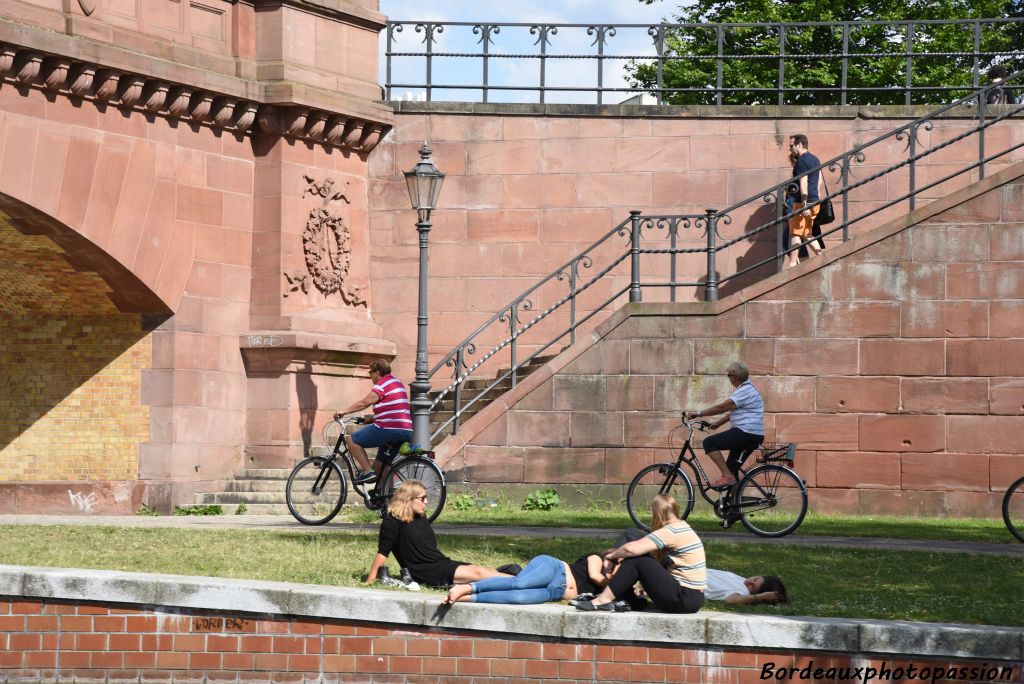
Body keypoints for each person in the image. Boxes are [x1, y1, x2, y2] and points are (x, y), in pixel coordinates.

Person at [575, 494, 705, 614]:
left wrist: (611, 556)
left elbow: (630, 549)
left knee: (636, 560)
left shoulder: (671, 531)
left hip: (682, 598)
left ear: (657, 514)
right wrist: (616, 552)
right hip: (693, 599)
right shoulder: (682, 528)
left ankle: (602, 601)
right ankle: (626, 598)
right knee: (635, 541)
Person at [367, 480, 506, 587]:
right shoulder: (392, 522)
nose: (426, 502)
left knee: (476, 569)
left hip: (440, 562)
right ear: (408, 499)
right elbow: (382, 553)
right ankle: (519, 581)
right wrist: (370, 580)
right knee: (477, 573)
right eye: (422, 498)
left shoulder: (420, 516)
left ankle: (517, 577)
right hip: (425, 571)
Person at [684, 360, 764, 489]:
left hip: (746, 432)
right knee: (732, 470)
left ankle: (727, 476)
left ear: (735, 377)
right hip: (751, 434)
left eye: (729, 376)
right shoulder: (747, 389)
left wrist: (698, 414)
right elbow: (734, 410)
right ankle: (733, 507)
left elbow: (723, 407)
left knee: (709, 443)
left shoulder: (744, 390)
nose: (728, 378)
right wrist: (718, 423)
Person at [337, 358, 413, 484]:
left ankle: (367, 472)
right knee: (380, 466)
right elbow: (394, 409)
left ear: (377, 372)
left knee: (352, 440)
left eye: (370, 373)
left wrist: (344, 411)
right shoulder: (397, 383)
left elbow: (365, 403)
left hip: (389, 428)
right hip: (405, 429)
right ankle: (386, 499)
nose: (370, 377)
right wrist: (372, 418)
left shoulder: (382, 384)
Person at [442, 551, 614, 606]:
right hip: (554, 569)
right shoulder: (598, 558)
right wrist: (618, 584)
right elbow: (595, 576)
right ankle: (468, 587)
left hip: (553, 592)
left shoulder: (612, 586)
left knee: (518, 598)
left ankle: (466, 597)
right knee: (519, 583)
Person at [786, 134, 824, 268]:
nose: (790, 149)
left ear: (799, 145)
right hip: (815, 200)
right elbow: (819, 181)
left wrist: (804, 204)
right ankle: (822, 257)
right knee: (807, 233)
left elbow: (803, 183)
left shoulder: (801, 161)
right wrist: (816, 197)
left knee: (795, 232)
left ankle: (792, 264)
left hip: (803, 201)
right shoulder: (815, 159)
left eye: (792, 146)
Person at [706, 569, 788, 605]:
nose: (750, 582)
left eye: (752, 586)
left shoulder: (743, 591)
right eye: (755, 579)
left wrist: (760, 597)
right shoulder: (743, 580)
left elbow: (731, 600)